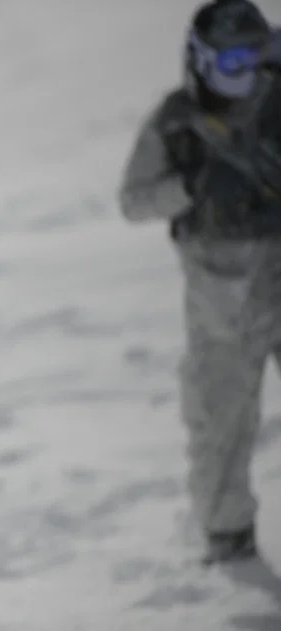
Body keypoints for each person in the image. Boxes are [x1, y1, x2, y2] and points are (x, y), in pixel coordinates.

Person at [118, 0, 281, 564]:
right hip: (224, 300)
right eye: (234, 60)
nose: (250, 72)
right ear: (202, 61)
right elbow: (133, 200)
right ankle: (228, 539)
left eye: (258, 56)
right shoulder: (178, 122)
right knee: (222, 420)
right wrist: (191, 186)